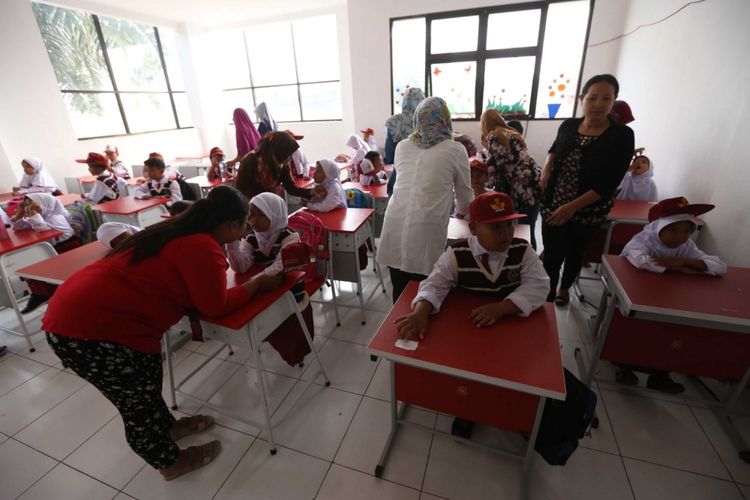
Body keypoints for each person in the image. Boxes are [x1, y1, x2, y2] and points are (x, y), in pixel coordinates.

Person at [42, 185, 283, 481]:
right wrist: (256, 284)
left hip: (83, 311)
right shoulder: (202, 246)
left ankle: (169, 427)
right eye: (245, 222)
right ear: (232, 225)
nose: (247, 228)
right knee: (136, 405)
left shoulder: (176, 229)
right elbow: (215, 306)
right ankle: (170, 463)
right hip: (89, 330)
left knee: (145, 386)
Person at [395, 191, 549, 437]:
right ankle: (468, 411)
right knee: (468, 372)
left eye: (510, 224)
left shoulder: (523, 251)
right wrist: (422, 310)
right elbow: (435, 283)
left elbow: (540, 286)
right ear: (474, 228)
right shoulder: (456, 255)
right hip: (470, 329)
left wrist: (502, 308)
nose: (507, 233)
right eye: (496, 227)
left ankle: (515, 411)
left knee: (511, 370)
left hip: (509, 326)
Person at [539, 74, 635, 306]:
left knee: (575, 252)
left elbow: (608, 182)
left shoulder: (621, 135)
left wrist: (571, 208)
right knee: (551, 254)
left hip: (588, 210)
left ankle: (564, 288)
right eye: (592, 98)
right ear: (582, 99)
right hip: (554, 202)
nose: (598, 104)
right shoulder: (569, 125)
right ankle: (547, 294)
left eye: (606, 98)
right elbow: (554, 148)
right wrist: (547, 166)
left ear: (614, 101)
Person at [617, 196, 726, 393]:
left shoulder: (686, 247)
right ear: (658, 228)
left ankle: (660, 374)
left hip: (670, 298)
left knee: (670, 333)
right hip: (637, 295)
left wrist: (684, 262)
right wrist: (682, 269)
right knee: (635, 329)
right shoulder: (643, 240)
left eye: (686, 231)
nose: (680, 237)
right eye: (673, 230)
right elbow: (641, 260)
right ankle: (625, 366)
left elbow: (720, 266)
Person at [377, 96, 474, 302]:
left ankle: (397, 332)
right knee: (425, 291)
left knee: (400, 292)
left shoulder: (402, 146)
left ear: (417, 120)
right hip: (426, 227)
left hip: (394, 221)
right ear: (445, 119)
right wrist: (462, 212)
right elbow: (465, 195)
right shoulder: (456, 150)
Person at [226, 192, 314, 366]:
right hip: (264, 292)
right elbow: (241, 266)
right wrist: (233, 242)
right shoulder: (251, 237)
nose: (253, 220)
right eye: (251, 215)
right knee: (249, 316)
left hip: (289, 295)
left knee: (278, 327)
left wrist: (253, 282)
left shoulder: (289, 237)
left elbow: (278, 268)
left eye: (261, 215)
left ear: (274, 215)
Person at [481, 108, 542, 250]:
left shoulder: (494, 135)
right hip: (534, 179)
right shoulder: (512, 133)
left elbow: (500, 166)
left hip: (521, 185)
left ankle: (524, 258)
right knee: (530, 226)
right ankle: (532, 258)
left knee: (522, 229)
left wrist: (495, 193)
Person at [12, 193, 80, 313]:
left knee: (34, 263)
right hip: (54, 249)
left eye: (31, 204)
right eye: (26, 205)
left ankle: (43, 294)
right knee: (30, 262)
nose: (28, 208)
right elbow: (18, 227)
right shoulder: (42, 216)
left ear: (45, 204)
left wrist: (34, 213)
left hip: (68, 249)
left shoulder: (55, 217)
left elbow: (42, 230)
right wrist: (21, 212)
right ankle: (40, 294)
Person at [234, 131, 314, 202]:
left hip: (271, 201)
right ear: (279, 152)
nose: (290, 158)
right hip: (252, 204)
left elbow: (291, 188)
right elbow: (240, 190)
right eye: (288, 155)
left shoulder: (281, 163)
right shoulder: (249, 161)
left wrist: (311, 192)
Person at [384, 88, 426, 196]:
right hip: (425, 178)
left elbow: (389, 155)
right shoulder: (428, 123)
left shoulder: (394, 122)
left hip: (400, 177)